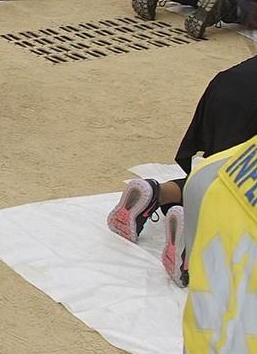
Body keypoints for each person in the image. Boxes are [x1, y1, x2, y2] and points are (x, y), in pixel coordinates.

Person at [108, 54, 257, 287]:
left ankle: (156, 193)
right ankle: (193, 246)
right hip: (251, 105)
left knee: (223, 169)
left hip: (228, 84)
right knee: (241, 183)